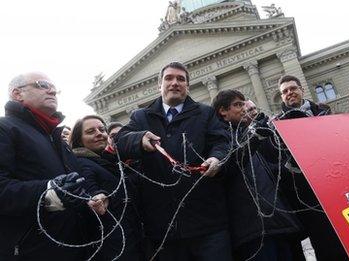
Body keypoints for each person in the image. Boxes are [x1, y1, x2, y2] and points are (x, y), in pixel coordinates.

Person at [116, 62, 232, 261]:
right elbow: (120, 142)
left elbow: (222, 142)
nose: (174, 83)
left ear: (188, 85)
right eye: (169, 78)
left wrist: (217, 158)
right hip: (163, 229)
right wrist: (139, 139)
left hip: (207, 223)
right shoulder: (141, 117)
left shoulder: (205, 113)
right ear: (159, 85)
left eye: (181, 79)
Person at [0, 72, 99, 260]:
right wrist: (47, 192)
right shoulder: (4, 129)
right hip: (34, 251)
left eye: (55, 88)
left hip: (79, 247)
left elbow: (77, 178)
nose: (53, 90)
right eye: (43, 84)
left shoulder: (55, 137)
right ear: (16, 93)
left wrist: (93, 194)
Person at [212, 90, 304, 261]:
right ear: (223, 111)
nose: (244, 109)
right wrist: (255, 139)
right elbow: (230, 166)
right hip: (252, 231)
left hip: (276, 223)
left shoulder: (244, 134)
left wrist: (291, 165)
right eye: (238, 105)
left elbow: (266, 172)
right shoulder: (218, 140)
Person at [274, 75, 348, 260]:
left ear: (301, 90)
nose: (289, 93)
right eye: (285, 91)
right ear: (281, 97)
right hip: (308, 195)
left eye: (293, 88)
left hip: (338, 184)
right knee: (324, 243)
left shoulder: (323, 111)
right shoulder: (276, 124)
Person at [70, 115, 143, 260]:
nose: (99, 133)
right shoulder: (81, 164)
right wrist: (98, 195)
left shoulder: (106, 161)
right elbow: (90, 189)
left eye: (102, 129)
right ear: (79, 139)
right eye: (91, 131)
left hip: (131, 237)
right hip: (115, 245)